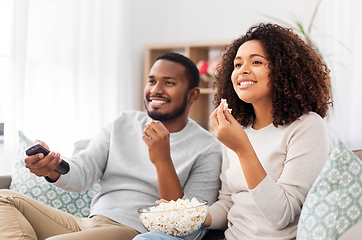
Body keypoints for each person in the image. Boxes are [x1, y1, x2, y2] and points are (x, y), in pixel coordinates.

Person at [133, 23, 332, 240]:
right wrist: (189, 215)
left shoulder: (307, 127)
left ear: (284, 70)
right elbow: (228, 203)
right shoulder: (238, 128)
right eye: (237, 65)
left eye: (256, 62)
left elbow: (282, 215)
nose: (243, 70)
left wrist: (243, 148)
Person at [0, 52, 222, 240]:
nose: (156, 89)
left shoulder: (207, 148)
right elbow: (83, 172)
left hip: (133, 231)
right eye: (152, 81)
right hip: (90, 223)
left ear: (193, 94)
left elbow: (189, 226)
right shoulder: (123, 123)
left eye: (169, 82)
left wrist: (162, 160)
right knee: (4, 198)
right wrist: (52, 167)